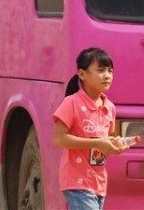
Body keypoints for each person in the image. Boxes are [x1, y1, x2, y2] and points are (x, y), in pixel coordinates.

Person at [53, 48, 129, 210]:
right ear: (82, 74)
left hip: (99, 181)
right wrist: (98, 143)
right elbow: (59, 139)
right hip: (76, 180)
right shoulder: (71, 103)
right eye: (100, 70)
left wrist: (115, 145)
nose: (107, 75)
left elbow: (106, 141)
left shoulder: (109, 107)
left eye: (110, 71)